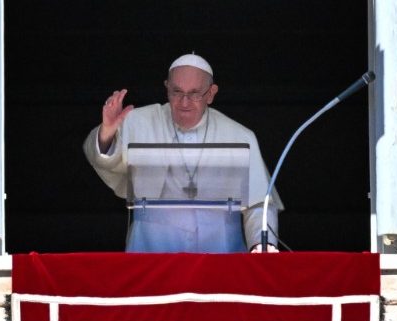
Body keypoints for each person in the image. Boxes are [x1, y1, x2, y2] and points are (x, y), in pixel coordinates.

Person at [83, 53, 282, 253]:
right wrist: (107, 133)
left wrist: (261, 244)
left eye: (195, 93)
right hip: (152, 251)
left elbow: (259, 203)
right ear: (166, 88)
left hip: (220, 253)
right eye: (177, 92)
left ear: (211, 93)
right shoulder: (138, 121)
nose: (184, 102)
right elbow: (101, 157)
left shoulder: (240, 136)